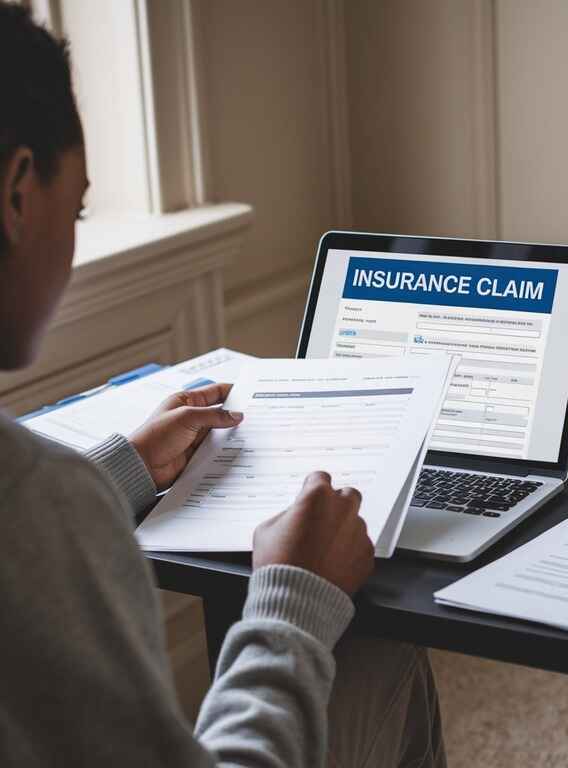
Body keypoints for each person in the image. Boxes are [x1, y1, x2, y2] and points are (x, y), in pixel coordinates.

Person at [0, 5, 446, 766]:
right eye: (75, 205)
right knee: (378, 649)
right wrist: (292, 598)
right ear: (16, 193)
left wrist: (125, 467)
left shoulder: (42, 500)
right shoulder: (40, 501)